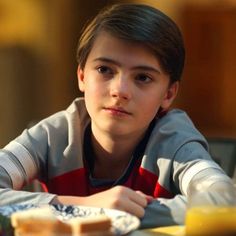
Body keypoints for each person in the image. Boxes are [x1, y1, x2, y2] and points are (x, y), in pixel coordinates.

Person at [0, 3, 233, 228]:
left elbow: (223, 202)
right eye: (104, 70)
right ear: (82, 76)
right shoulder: (53, 135)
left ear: (168, 93)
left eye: (142, 77)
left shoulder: (175, 141)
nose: (119, 91)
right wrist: (84, 208)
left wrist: (114, 214)